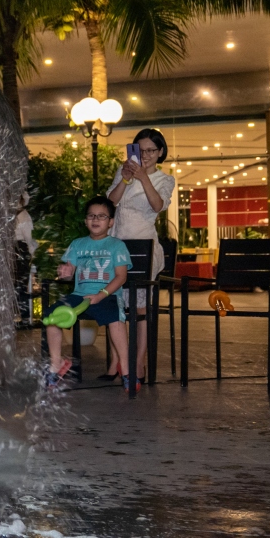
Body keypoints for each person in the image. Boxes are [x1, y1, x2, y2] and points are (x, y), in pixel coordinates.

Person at [105, 128, 175, 381]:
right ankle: (117, 360)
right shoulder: (123, 172)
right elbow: (109, 203)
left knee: (141, 307)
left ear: (160, 152)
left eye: (150, 150)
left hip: (143, 247)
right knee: (116, 305)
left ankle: (139, 361)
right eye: (140, 150)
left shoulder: (165, 180)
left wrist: (143, 177)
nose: (145, 155)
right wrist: (124, 179)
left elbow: (158, 206)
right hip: (117, 244)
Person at [44, 196, 133, 390]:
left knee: (115, 320)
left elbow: (121, 277)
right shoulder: (77, 244)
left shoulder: (116, 245)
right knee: (52, 318)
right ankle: (57, 364)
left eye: (101, 216)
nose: (95, 219)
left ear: (111, 222)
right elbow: (69, 273)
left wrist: (101, 295)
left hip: (107, 295)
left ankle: (126, 369)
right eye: (91, 215)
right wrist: (65, 274)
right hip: (79, 296)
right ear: (85, 221)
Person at [14, 192, 38, 327]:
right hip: (17, 251)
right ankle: (22, 317)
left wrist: (33, 257)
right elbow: (30, 240)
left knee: (19, 285)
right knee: (18, 285)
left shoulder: (22, 217)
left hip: (18, 251)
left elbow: (29, 240)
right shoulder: (20, 216)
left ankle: (23, 317)